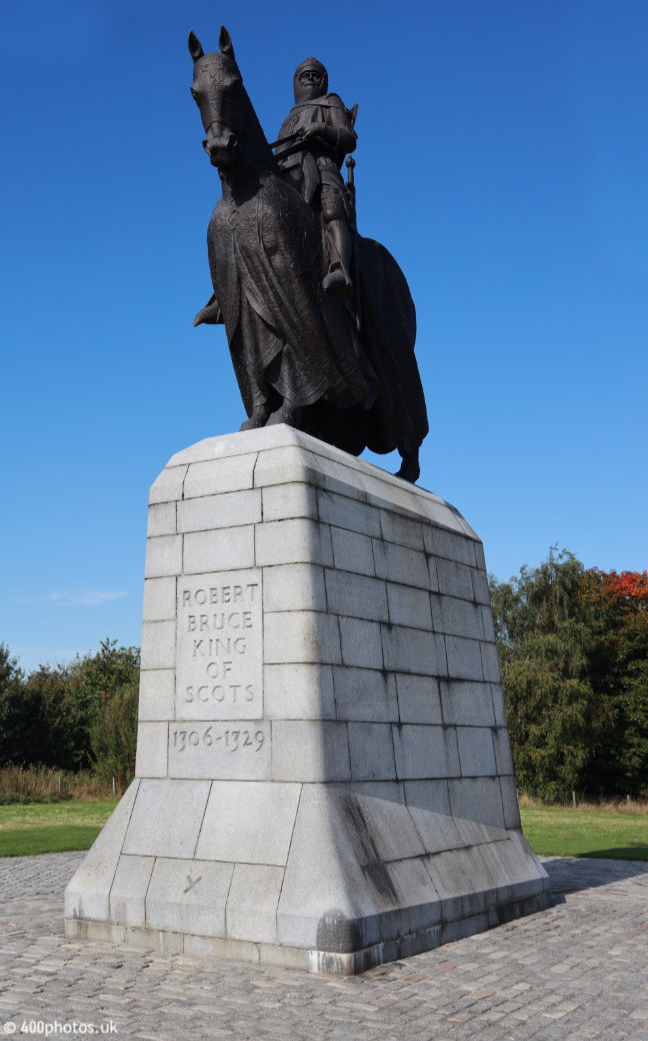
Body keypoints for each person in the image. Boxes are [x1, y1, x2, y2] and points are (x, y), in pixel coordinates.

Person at [275, 58, 357, 298]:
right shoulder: (289, 117)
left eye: (315, 75)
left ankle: (340, 268)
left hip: (323, 167)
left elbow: (349, 138)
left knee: (331, 209)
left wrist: (320, 129)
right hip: (287, 174)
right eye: (305, 75)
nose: (310, 78)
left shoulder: (330, 102)